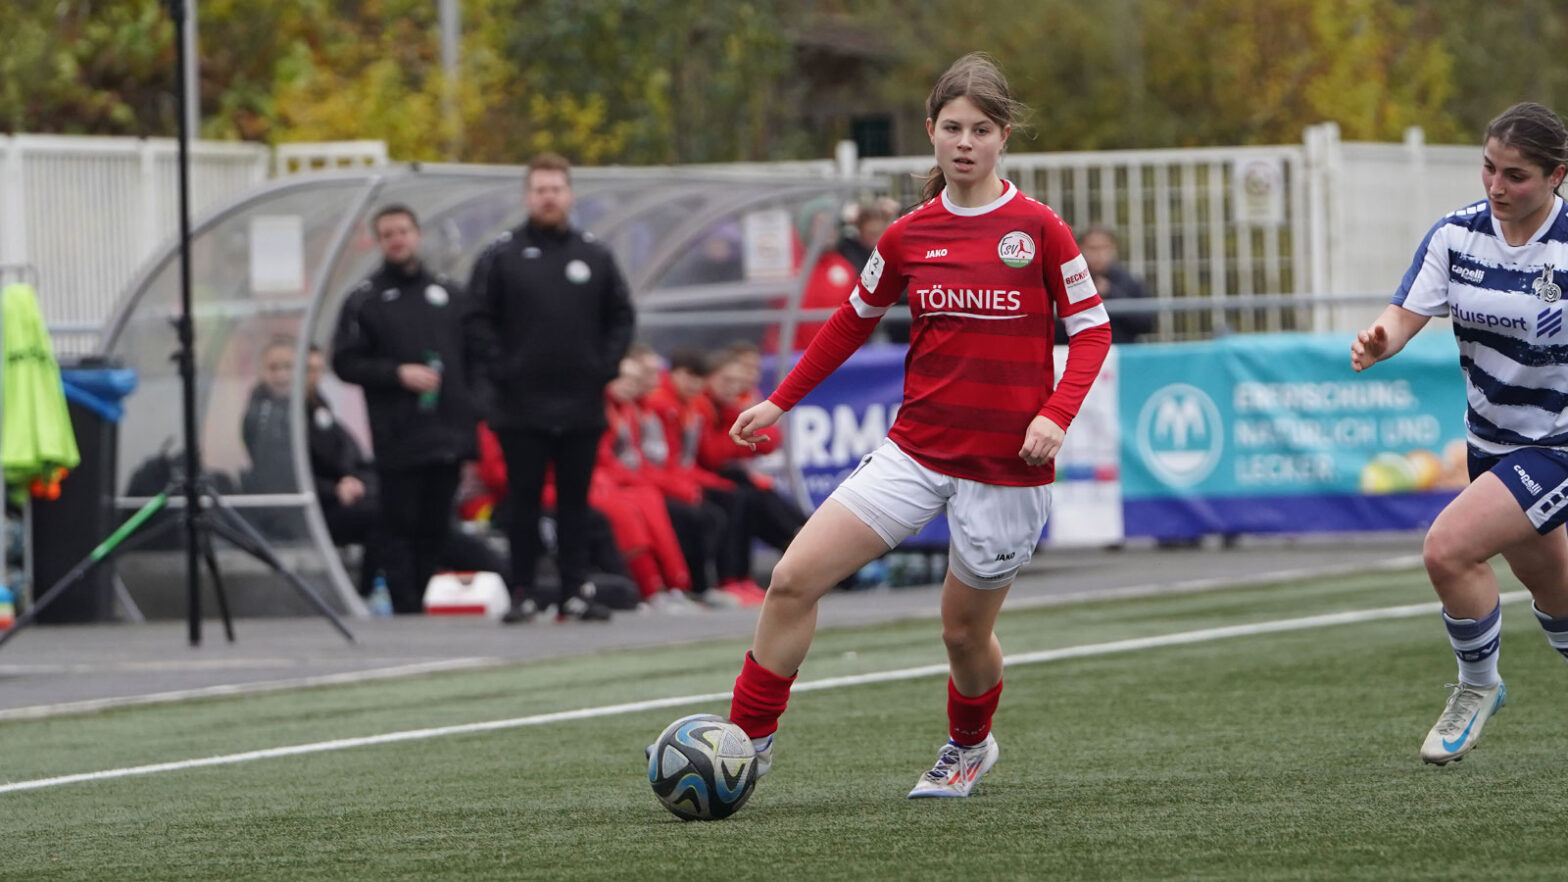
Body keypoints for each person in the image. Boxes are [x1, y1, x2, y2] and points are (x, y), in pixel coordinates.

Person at [704, 53, 1112, 799]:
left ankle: (969, 745)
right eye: (952, 127)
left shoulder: (1039, 231)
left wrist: (1056, 415)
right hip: (915, 451)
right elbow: (846, 326)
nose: (965, 142)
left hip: (1004, 470)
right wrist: (779, 400)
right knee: (792, 580)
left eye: (980, 129)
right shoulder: (907, 235)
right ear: (931, 132)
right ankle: (746, 743)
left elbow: (1092, 333)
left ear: (1003, 137)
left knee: (962, 634)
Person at [1350, 101, 1568, 766]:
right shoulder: (1455, 237)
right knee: (1558, 598)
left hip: (1556, 446)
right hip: (1490, 445)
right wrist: (1379, 341)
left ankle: (1477, 688)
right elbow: (1402, 315)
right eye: (1488, 168)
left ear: (1558, 175)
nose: (1497, 186)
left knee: (1447, 549)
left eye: (1517, 175)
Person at [467, 153, 637, 624]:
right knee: (522, 503)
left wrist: (601, 368)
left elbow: (621, 316)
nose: (548, 197)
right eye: (540, 189)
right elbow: (477, 320)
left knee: (575, 503)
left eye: (555, 188)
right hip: (520, 407)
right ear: (527, 196)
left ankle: (572, 591)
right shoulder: (501, 255)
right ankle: (522, 590)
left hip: (581, 405)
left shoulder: (594, 254)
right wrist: (504, 371)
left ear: (570, 195)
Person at [330, 203, 484, 614]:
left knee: (437, 522)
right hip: (398, 433)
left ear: (417, 234)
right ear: (380, 242)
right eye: (388, 234)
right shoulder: (367, 300)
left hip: (448, 431)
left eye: (403, 231)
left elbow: (477, 355)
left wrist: (474, 408)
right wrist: (397, 373)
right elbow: (345, 362)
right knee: (400, 520)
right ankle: (405, 604)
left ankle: (426, 593)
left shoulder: (449, 294)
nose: (397, 239)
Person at [1053, 226, 1154, 345]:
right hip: (1079, 352)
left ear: (1113, 249)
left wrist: (1111, 293)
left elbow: (1147, 324)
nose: (1099, 254)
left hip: (1119, 354)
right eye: (1092, 248)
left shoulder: (1129, 281)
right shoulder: (1065, 281)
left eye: (1104, 248)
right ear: (1079, 249)